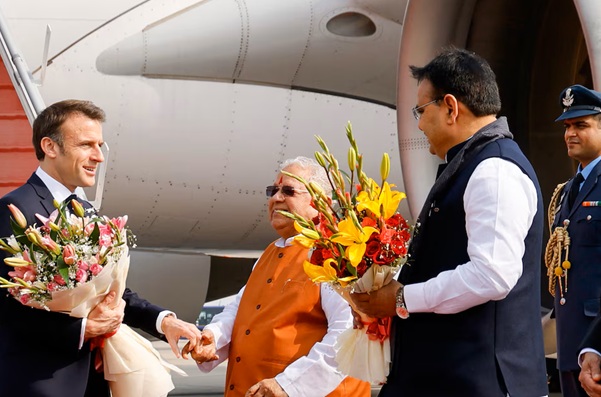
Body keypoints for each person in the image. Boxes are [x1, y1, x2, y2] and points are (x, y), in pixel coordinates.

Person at [350, 47, 548, 396]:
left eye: (421, 110)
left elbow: (492, 276)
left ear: (451, 108)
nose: (419, 123)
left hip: (476, 380)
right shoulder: (472, 164)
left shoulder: (494, 170)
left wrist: (401, 299)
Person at [0, 99, 202, 397]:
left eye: (100, 146)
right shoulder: (13, 210)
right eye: (86, 145)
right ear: (50, 146)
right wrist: (83, 330)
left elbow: (111, 291)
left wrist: (164, 321)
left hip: (92, 384)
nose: (98, 157)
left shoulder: (87, 212)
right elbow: (6, 306)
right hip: (38, 383)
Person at [183, 156, 371, 397]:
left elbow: (349, 335)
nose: (275, 198)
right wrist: (212, 338)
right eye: (273, 190)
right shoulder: (270, 253)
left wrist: (288, 385)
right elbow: (239, 311)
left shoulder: (334, 253)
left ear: (320, 201)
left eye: (288, 191)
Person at [547, 84, 601, 397]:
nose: (570, 133)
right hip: (571, 346)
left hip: (597, 347)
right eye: (568, 126)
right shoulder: (568, 190)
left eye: (581, 125)